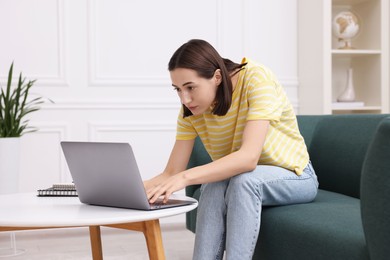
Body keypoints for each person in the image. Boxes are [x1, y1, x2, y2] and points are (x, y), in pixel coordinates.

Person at [144, 39, 319, 260]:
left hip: (296, 176)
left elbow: (248, 158)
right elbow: (171, 173)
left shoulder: (256, 79)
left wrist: (186, 177)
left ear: (217, 77)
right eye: (177, 90)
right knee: (213, 186)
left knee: (244, 182)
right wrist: (127, 189)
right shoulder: (191, 110)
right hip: (246, 178)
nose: (184, 98)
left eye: (190, 87)